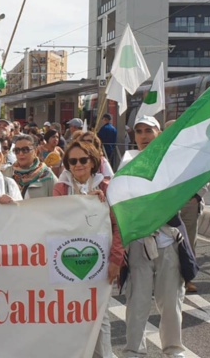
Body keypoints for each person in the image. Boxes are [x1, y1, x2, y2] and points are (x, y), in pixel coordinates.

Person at [120, 115, 193, 358]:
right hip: (139, 241)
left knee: (171, 301)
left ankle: (173, 349)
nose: (143, 136)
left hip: (168, 239)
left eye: (148, 131)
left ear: (159, 133)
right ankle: (134, 350)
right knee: (137, 302)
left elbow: (191, 191)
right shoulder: (128, 162)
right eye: (139, 131)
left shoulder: (173, 163)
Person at [52, 140, 124, 358]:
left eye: (83, 159)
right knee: (71, 313)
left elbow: (118, 226)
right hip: (68, 259)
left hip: (100, 261)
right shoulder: (60, 188)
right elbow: (56, 221)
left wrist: (116, 259)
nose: (78, 164)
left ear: (93, 162)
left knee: (99, 314)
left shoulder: (108, 187)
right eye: (72, 161)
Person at [7, 134, 56, 199]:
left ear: (35, 151)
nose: (21, 153)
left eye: (25, 150)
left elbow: (57, 203)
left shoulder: (48, 176)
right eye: (17, 150)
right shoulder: (7, 173)